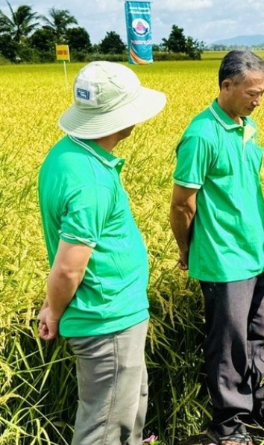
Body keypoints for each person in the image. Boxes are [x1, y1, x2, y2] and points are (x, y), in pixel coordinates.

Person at [38, 62, 166, 445]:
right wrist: (54, 309)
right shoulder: (90, 179)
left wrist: (51, 305)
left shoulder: (66, 155)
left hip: (112, 316)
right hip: (106, 320)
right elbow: (68, 269)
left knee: (124, 417)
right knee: (106, 429)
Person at [169, 50, 264, 445]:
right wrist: (187, 249)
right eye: (251, 92)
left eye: (262, 92)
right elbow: (182, 203)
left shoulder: (247, 125)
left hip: (257, 253)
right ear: (226, 86)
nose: (258, 100)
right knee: (228, 346)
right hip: (223, 259)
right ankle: (229, 427)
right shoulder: (201, 135)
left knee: (263, 339)